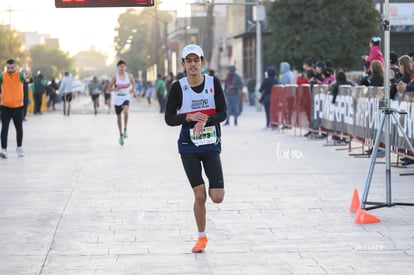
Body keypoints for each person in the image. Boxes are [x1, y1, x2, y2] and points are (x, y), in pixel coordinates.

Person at [164, 44, 227, 253]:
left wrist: (207, 120)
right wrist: (188, 117)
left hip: (210, 146)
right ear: (182, 64)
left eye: (196, 60)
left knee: (217, 197)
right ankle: (201, 238)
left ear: (203, 62)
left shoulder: (212, 83)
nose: (193, 64)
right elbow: (169, 118)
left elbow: (223, 113)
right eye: (188, 61)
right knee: (200, 195)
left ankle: (203, 233)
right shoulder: (177, 87)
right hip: (188, 147)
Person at [0, 59, 25, 158]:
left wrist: (28, 73)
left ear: (16, 67)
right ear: (6, 67)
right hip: (5, 106)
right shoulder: (2, 76)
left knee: (19, 128)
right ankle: (4, 149)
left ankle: (19, 147)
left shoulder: (20, 75)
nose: (10, 69)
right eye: (8, 68)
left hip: (18, 106)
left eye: (12, 68)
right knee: (4, 128)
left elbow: (28, 79)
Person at [108, 60, 135, 146]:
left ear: (125, 67)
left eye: (123, 66)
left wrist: (132, 90)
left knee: (126, 111)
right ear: (118, 67)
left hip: (126, 97)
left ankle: (125, 129)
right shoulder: (115, 77)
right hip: (117, 98)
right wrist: (114, 89)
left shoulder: (129, 76)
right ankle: (120, 134)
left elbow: (133, 85)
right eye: (120, 66)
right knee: (119, 117)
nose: (122, 68)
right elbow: (109, 87)